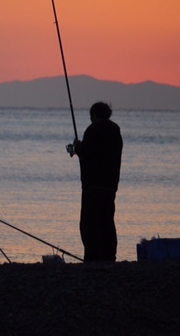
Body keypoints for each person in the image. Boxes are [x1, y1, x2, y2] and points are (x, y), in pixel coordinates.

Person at [72, 101, 123, 262]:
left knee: (89, 223)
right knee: (107, 221)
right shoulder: (116, 131)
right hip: (110, 185)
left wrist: (77, 147)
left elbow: (87, 153)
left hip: (92, 185)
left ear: (94, 115)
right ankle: (109, 256)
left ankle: (92, 256)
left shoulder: (92, 129)